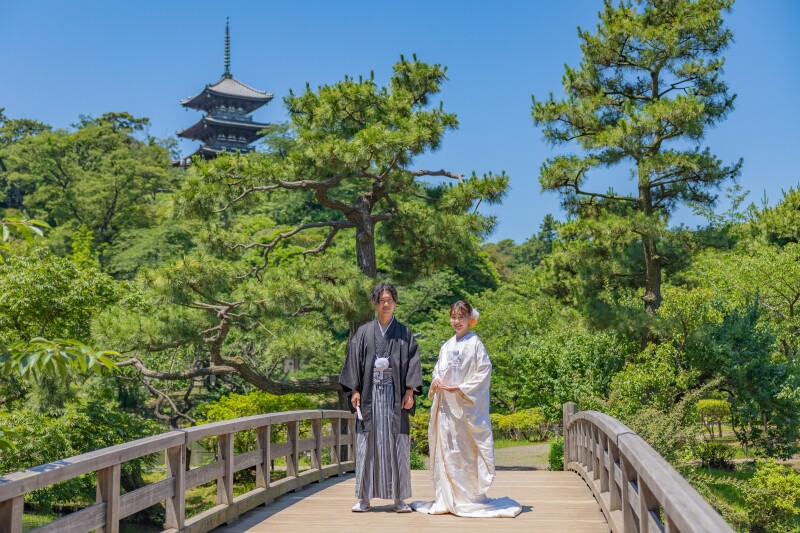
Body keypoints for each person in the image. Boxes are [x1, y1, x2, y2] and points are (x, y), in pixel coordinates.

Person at [412, 300, 522, 518]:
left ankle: (468, 497)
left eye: (461, 317)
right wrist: (436, 382)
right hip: (446, 410)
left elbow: (483, 373)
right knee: (447, 451)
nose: (456, 321)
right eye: (453, 317)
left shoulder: (476, 345)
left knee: (465, 452)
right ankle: (447, 497)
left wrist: (460, 388)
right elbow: (437, 370)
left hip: (466, 411)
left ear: (470, 320)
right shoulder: (446, 345)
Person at [339, 282, 423, 513]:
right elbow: (353, 363)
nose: (386, 304)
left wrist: (410, 391)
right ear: (375, 303)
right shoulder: (364, 332)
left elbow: (413, 363)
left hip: (396, 397)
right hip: (369, 395)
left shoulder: (405, 333)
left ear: (395, 303)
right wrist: (354, 390)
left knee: (398, 444)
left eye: (390, 300)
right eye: (382, 300)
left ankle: (399, 499)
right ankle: (364, 498)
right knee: (368, 444)